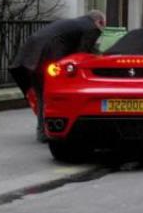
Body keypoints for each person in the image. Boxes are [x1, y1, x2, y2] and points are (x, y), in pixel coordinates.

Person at [9, 10, 106, 142]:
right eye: (103, 27)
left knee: (42, 96)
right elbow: (82, 53)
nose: (101, 32)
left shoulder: (75, 23)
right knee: (53, 96)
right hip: (49, 56)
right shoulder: (92, 28)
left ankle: (42, 132)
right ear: (99, 22)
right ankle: (54, 130)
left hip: (32, 55)